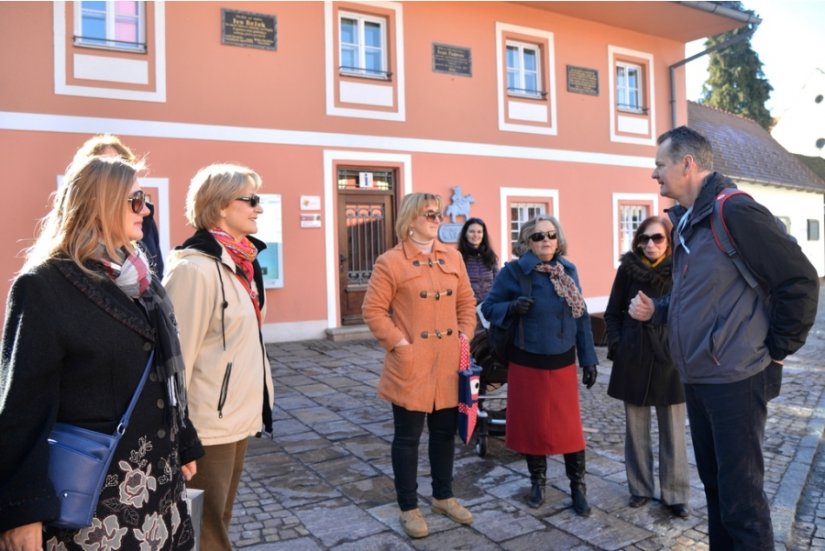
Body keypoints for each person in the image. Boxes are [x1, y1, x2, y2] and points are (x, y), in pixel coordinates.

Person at [629, 126, 819, 549]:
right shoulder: (686, 223)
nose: (654, 174)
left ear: (687, 164)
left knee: (742, 502)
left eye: (660, 165)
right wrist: (658, 310)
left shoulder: (734, 212)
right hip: (699, 377)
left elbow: (801, 281)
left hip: (736, 378)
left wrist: (777, 350)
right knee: (716, 491)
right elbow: (700, 295)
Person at [0, 155, 202, 550]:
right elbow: (21, 407)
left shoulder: (139, 279)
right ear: (100, 203)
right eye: (135, 200)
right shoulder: (44, 286)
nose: (145, 209)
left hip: (158, 486)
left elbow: (162, 374)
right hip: (94, 506)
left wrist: (185, 441)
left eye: (144, 200)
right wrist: (20, 510)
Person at [163, 163, 275, 551]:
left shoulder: (242, 262)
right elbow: (175, 362)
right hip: (206, 426)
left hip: (237, 418)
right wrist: (181, 436)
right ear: (221, 206)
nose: (259, 208)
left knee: (217, 519)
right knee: (206, 529)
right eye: (251, 199)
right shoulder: (194, 270)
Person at [362, 193, 477, 539]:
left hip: (447, 363)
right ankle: (408, 506)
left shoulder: (453, 256)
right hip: (410, 364)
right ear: (410, 219)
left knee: (444, 434)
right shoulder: (390, 262)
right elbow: (373, 310)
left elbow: (467, 303)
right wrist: (400, 344)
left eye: (438, 213)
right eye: (429, 213)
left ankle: (443, 496)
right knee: (407, 438)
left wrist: (464, 336)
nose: (436, 218)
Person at [481, 214, 598, 515]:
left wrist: (588, 359)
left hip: (561, 363)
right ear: (527, 242)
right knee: (533, 427)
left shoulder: (568, 271)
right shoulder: (514, 273)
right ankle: (538, 483)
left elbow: (581, 316)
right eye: (538, 236)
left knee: (570, 429)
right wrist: (512, 307)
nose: (545, 240)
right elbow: (489, 307)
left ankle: (577, 487)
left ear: (559, 239)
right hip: (527, 362)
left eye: (551, 235)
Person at [604, 215, 690, 518]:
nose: (650, 244)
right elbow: (612, 313)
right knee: (636, 430)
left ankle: (675, 494)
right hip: (634, 358)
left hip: (670, 360)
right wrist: (618, 345)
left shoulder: (680, 270)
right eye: (644, 238)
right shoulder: (627, 271)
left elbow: (687, 313)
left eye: (657, 238)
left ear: (669, 240)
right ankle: (640, 488)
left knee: (674, 432)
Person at [73, 134, 165, 277]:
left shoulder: (145, 222)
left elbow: (158, 271)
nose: (144, 210)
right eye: (105, 166)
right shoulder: (57, 273)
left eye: (121, 165)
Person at [457, 217, 499, 305]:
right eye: (472, 231)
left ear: (483, 235)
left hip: (489, 307)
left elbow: (498, 283)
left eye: (479, 232)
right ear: (465, 234)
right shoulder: (458, 257)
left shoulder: (490, 256)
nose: (475, 235)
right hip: (468, 307)